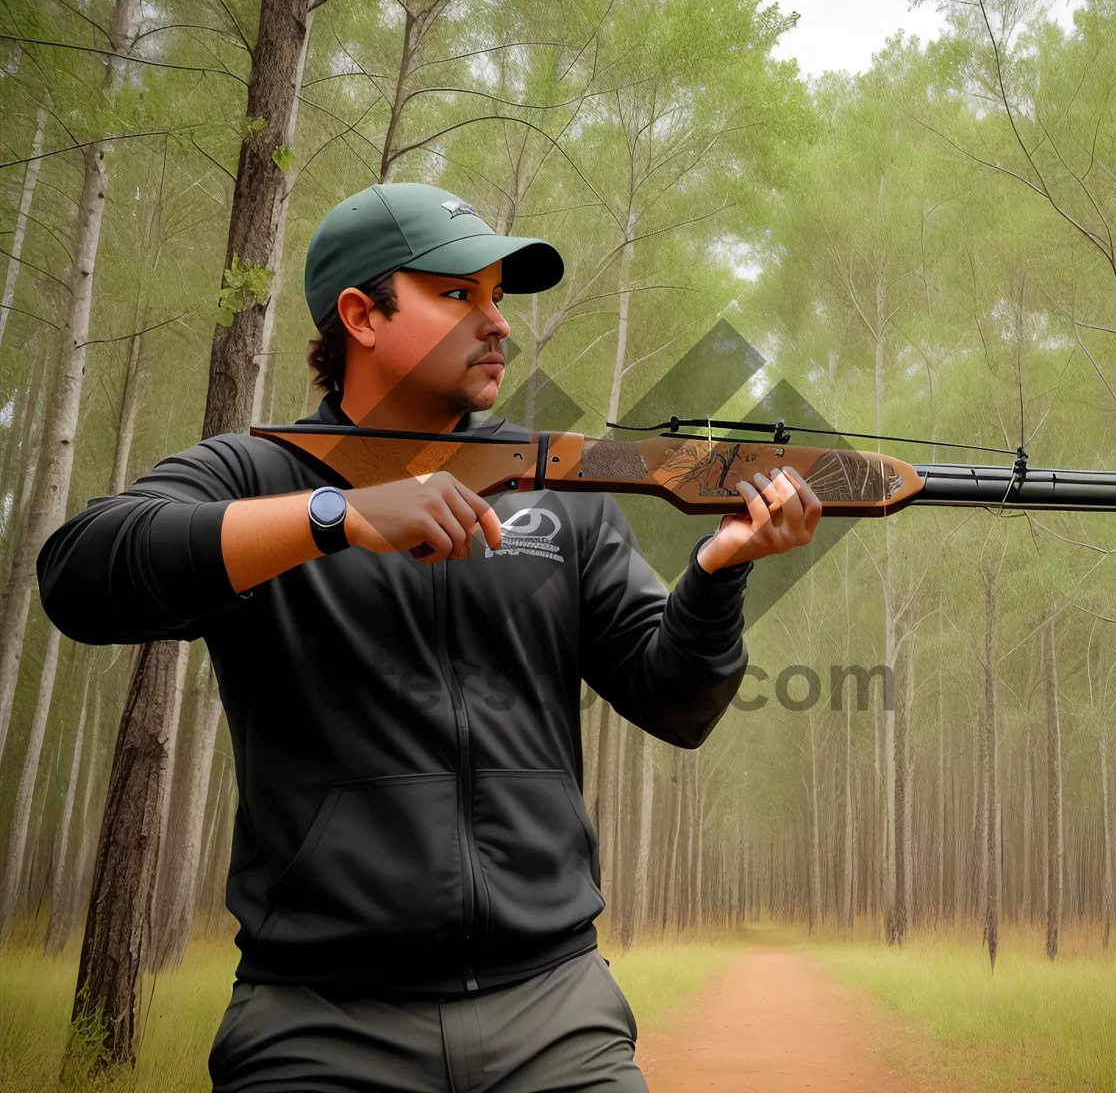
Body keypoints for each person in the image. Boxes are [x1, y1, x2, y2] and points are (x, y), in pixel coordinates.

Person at [37, 182, 822, 1092]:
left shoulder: (556, 494)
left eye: (499, 298)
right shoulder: (252, 473)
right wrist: (334, 516)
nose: (498, 324)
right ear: (361, 315)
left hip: (556, 1012)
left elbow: (674, 701)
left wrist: (718, 573)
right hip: (316, 1022)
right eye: (459, 295)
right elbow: (78, 576)